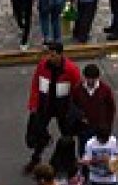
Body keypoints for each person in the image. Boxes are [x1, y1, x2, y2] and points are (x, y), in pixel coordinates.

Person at [25, 42, 82, 170]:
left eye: (53, 55)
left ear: (60, 55)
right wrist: (34, 104)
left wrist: (75, 110)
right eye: (49, 54)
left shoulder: (71, 70)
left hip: (64, 108)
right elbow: (35, 84)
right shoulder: (42, 66)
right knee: (38, 132)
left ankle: (70, 161)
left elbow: (77, 91)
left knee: (67, 136)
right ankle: (36, 158)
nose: (49, 57)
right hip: (45, 105)